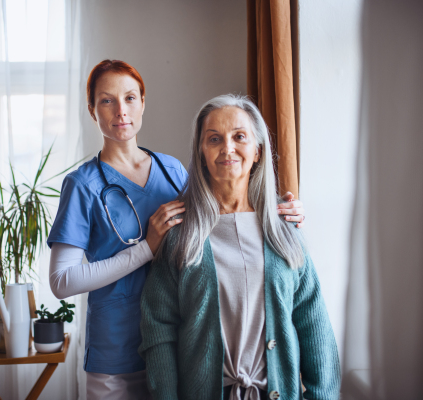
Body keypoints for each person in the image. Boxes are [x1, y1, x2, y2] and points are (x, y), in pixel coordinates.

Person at [47, 61, 306, 399]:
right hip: (117, 356)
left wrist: (281, 211)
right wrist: (146, 249)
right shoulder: (82, 185)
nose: (120, 110)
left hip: (182, 347)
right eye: (107, 100)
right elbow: (62, 282)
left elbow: (229, 211)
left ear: (143, 102)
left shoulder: (171, 170)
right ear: (92, 109)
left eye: (129, 98)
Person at [139, 94, 340, 400]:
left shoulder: (285, 232)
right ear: (201, 152)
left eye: (239, 137)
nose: (227, 148)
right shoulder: (180, 235)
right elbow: (158, 331)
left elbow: (315, 329)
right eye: (214, 139)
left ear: (257, 151)